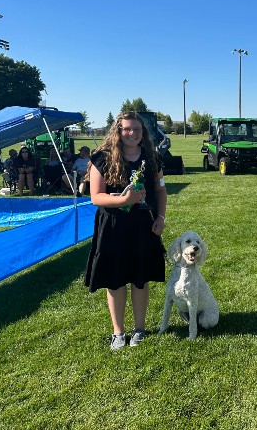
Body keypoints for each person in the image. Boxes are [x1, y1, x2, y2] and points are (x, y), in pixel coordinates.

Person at [84, 111, 167, 350]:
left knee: (140, 279)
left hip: (143, 226)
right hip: (112, 227)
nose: (132, 133)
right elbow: (96, 197)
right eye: (127, 129)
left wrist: (160, 217)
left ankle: (139, 329)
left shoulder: (151, 158)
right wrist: (124, 201)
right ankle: (118, 332)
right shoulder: (102, 158)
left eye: (137, 130)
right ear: (118, 131)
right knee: (115, 280)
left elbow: (160, 190)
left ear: (144, 133)